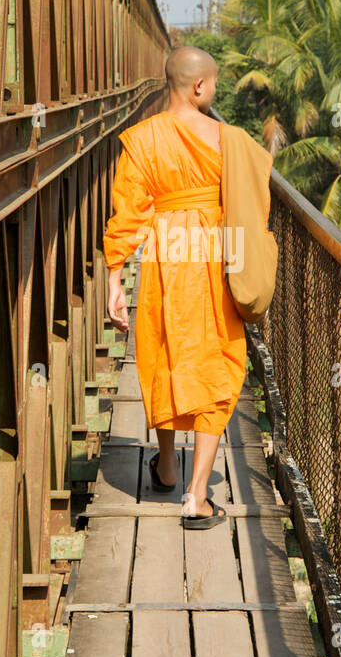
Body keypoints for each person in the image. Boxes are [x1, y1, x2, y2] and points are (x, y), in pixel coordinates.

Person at [102, 46, 247, 526]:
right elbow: (251, 204)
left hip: (166, 256)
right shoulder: (230, 140)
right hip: (214, 255)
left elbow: (128, 214)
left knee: (164, 353)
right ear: (199, 87)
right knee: (216, 361)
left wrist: (113, 279)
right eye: (214, 85)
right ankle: (197, 495)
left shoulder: (142, 140)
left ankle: (166, 465)